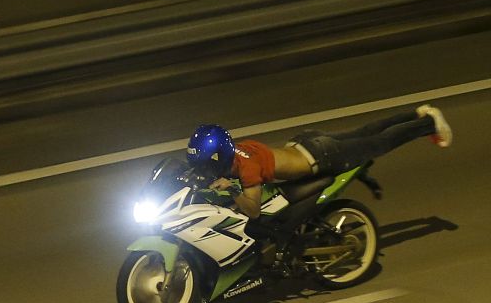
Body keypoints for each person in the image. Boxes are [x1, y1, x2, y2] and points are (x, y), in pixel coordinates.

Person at [186, 105, 452, 219]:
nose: (205, 169)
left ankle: (428, 123)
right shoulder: (238, 151)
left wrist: (232, 190)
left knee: (378, 143)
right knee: (366, 132)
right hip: (307, 143)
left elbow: (253, 210)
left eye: (207, 164)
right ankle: (417, 112)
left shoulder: (247, 168)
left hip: (321, 158)